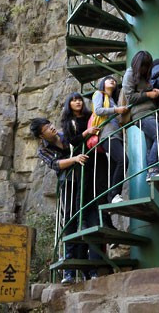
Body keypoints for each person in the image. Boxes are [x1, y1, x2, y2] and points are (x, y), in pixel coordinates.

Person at [32, 117, 100, 284]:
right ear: (42, 136)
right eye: (46, 128)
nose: (51, 128)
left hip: (82, 182)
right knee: (70, 223)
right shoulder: (43, 150)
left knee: (86, 223)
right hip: (67, 184)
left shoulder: (65, 136)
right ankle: (68, 272)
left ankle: (89, 269)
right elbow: (56, 164)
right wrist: (74, 159)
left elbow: (80, 141)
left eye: (50, 125)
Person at [59, 93, 109, 278]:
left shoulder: (90, 116)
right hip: (82, 162)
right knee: (80, 213)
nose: (77, 102)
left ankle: (95, 268)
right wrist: (85, 133)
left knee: (94, 209)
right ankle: (76, 269)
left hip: (96, 157)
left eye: (79, 99)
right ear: (69, 104)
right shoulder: (68, 121)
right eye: (73, 100)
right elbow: (71, 141)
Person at [121, 51, 159, 179]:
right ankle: (152, 168)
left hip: (151, 112)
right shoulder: (130, 74)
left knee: (151, 144)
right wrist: (148, 94)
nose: (145, 68)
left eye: (147, 66)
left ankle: (152, 172)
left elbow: (144, 91)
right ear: (138, 64)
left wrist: (153, 91)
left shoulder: (144, 77)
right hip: (141, 114)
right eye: (143, 65)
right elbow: (130, 97)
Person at [91, 76, 129, 203]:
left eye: (114, 80)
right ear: (102, 83)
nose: (112, 80)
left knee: (115, 167)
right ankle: (114, 194)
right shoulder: (99, 94)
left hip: (116, 135)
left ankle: (110, 196)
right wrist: (116, 110)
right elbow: (98, 110)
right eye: (108, 79)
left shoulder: (112, 99)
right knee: (123, 161)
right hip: (107, 135)